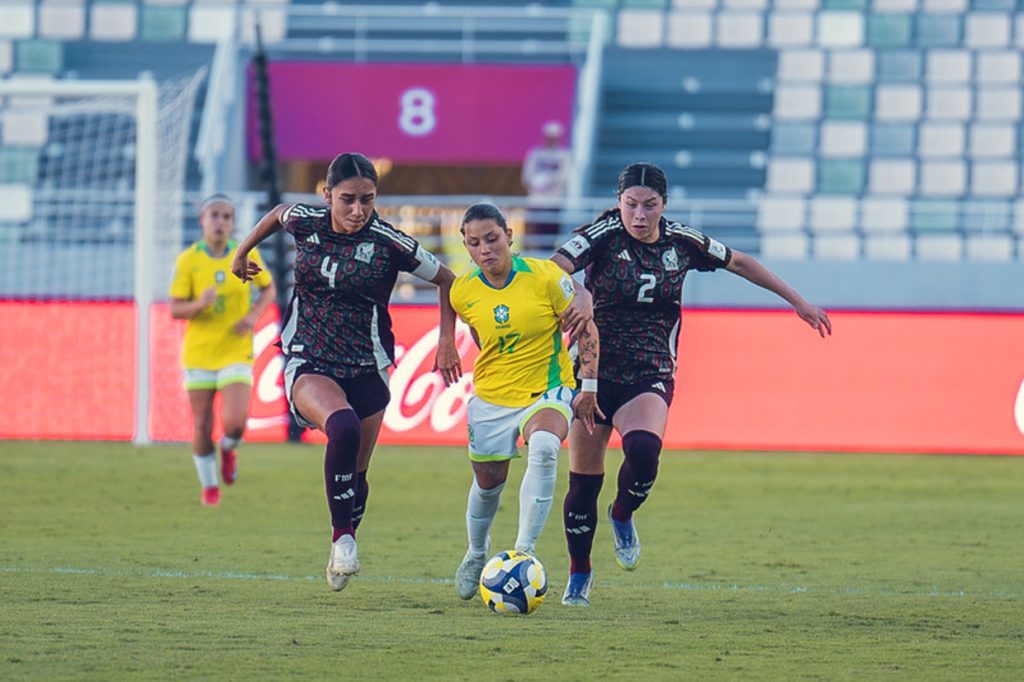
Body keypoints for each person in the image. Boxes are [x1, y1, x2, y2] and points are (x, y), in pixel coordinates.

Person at [552, 162, 832, 606]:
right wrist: (578, 291)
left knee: (644, 452)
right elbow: (553, 268)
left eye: (649, 205)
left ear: (664, 204)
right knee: (583, 484)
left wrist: (797, 301)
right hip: (591, 371)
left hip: (650, 369)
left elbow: (739, 261)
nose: (639, 215)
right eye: (630, 204)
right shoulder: (603, 234)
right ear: (618, 201)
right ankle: (580, 573)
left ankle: (622, 513)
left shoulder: (681, 242)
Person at [230, 153, 462, 592]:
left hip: (369, 364)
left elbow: (447, 279)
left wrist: (447, 339)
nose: (358, 210)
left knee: (357, 475)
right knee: (343, 426)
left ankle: (346, 531)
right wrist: (241, 252)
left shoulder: (389, 242)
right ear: (327, 195)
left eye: (367, 200)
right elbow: (278, 214)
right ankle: (343, 539)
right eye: (348, 199)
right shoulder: (306, 222)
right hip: (309, 358)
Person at [449, 203, 602, 601]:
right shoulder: (463, 291)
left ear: (509, 236)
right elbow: (475, 331)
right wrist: (445, 341)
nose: (485, 249)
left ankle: (523, 553)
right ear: (466, 247)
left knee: (546, 447)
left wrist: (588, 387)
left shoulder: (544, 276)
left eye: (492, 239)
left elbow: (586, 328)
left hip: (548, 388)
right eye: (475, 243)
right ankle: (476, 552)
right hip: (492, 397)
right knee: (488, 484)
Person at [169, 194, 276, 507]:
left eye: (226, 216)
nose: (220, 222)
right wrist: (198, 304)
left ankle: (228, 448)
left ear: (232, 223)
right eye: (214, 215)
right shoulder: (188, 260)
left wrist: (253, 316)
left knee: (235, 423)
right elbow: (175, 309)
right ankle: (210, 488)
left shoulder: (244, 253)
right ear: (202, 221)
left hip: (235, 350)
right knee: (202, 424)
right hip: (200, 353)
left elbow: (268, 288)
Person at [521, 120, 572, 247]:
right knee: (534, 236)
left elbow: (564, 177)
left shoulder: (564, 155)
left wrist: (548, 181)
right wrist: (537, 183)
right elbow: (526, 177)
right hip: (536, 203)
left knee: (550, 237)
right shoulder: (535, 154)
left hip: (554, 203)